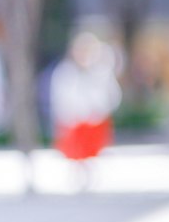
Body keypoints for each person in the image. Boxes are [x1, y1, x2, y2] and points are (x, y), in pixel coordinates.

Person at [49, 32, 121, 184]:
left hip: (94, 120)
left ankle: (90, 175)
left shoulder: (100, 71)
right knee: (76, 153)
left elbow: (110, 94)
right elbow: (62, 97)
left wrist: (99, 109)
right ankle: (77, 175)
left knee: (91, 152)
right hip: (74, 121)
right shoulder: (67, 71)